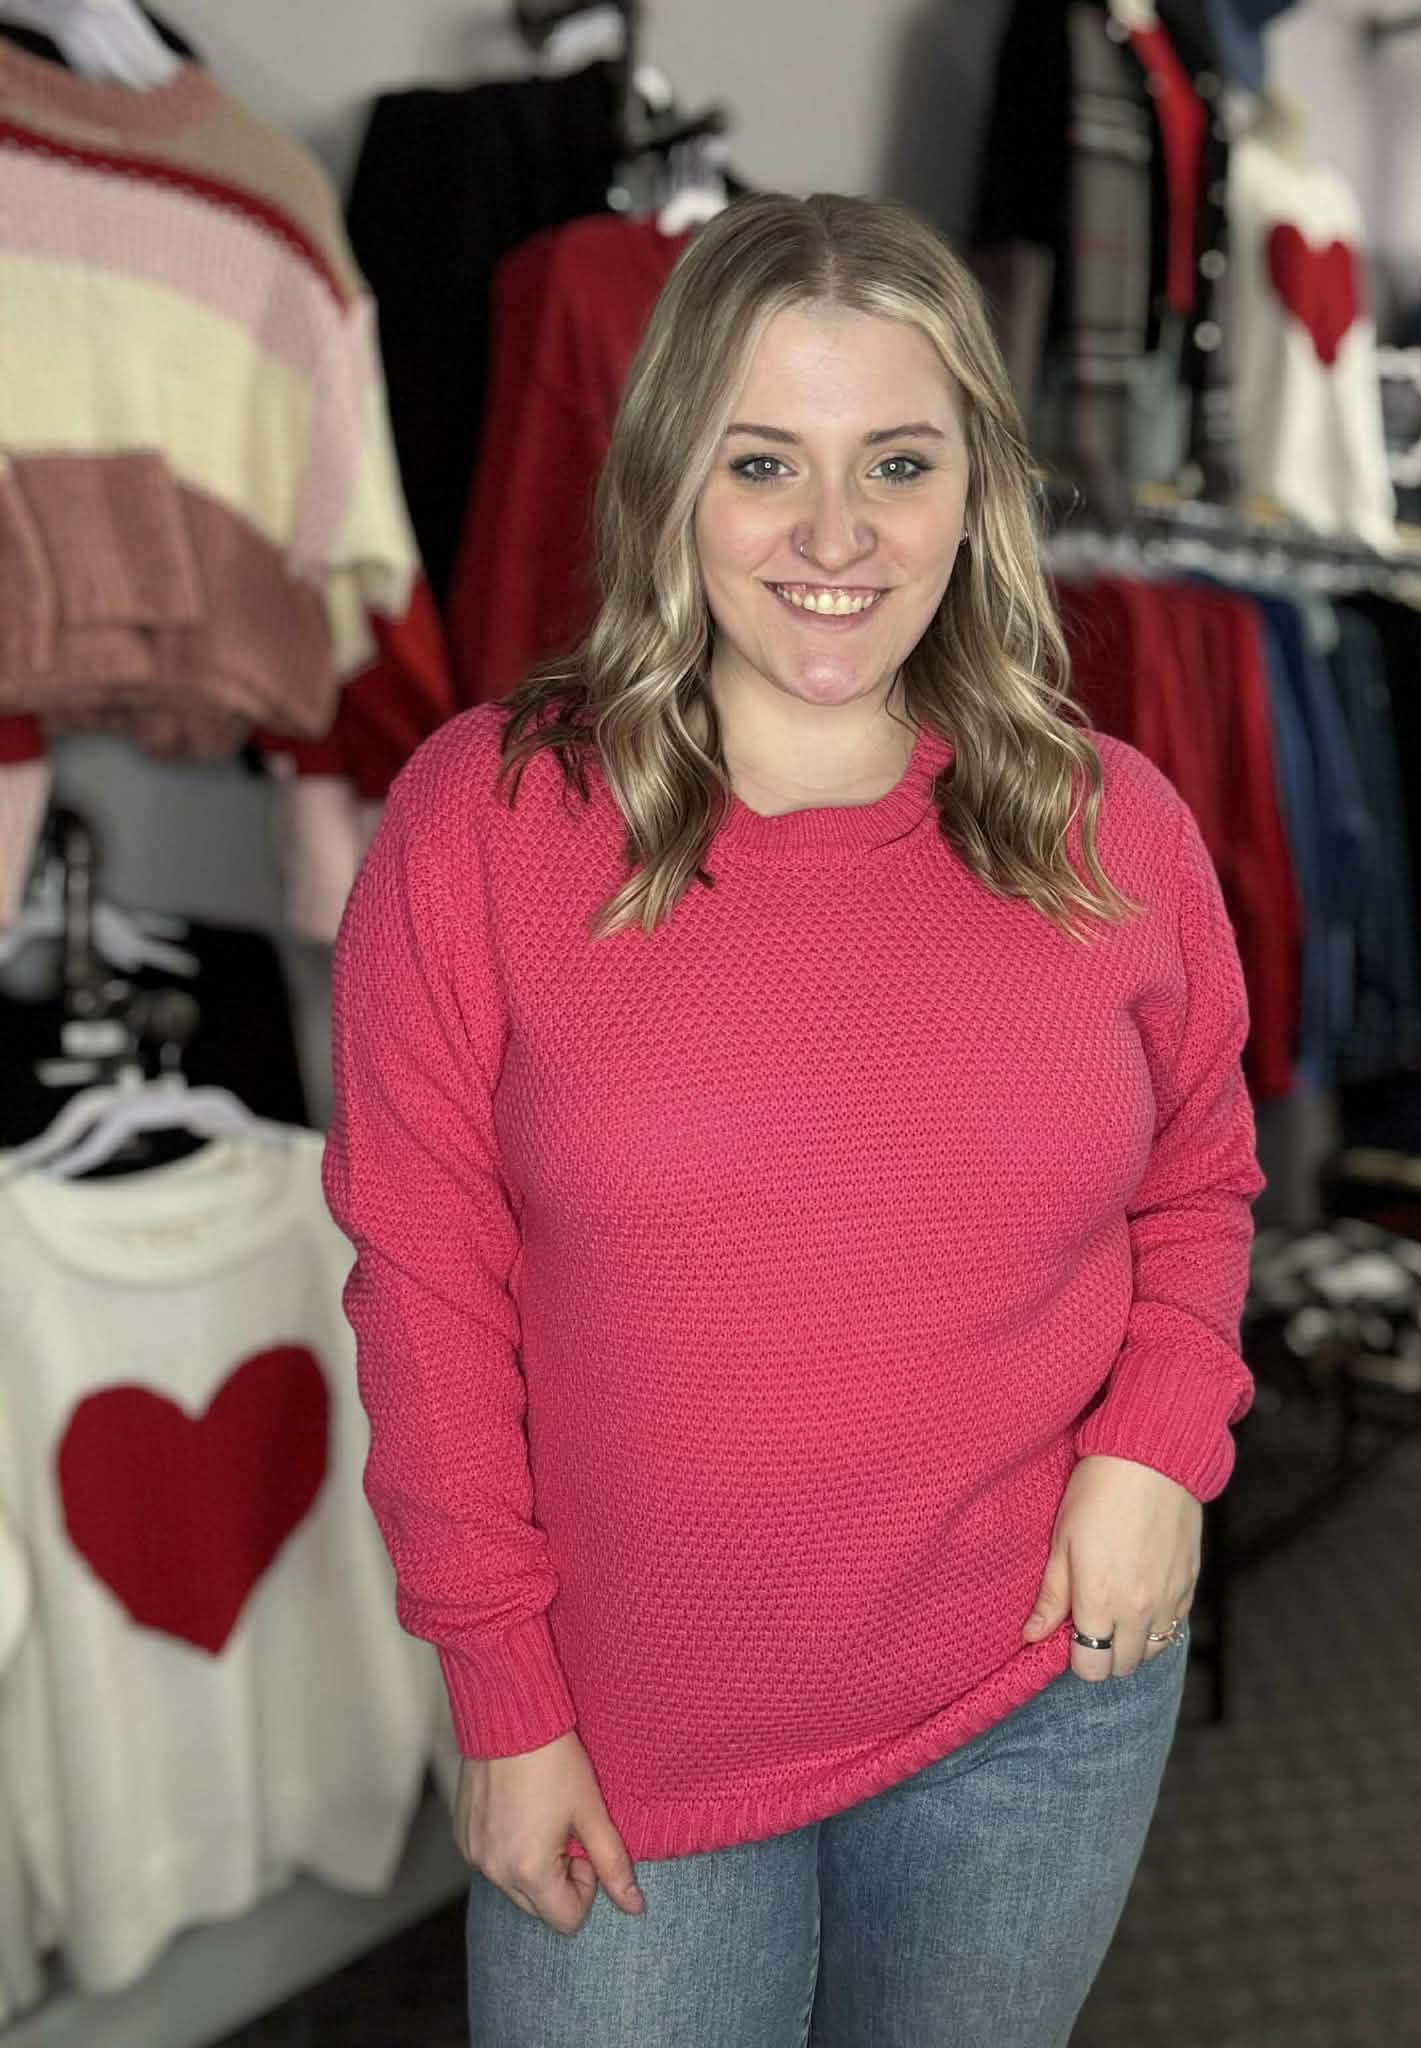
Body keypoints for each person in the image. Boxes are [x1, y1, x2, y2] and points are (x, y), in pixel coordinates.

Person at [323, 191, 1265, 2048]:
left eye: (897, 464)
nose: (836, 536)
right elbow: (423, 1289)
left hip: (1036, 1697)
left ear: (976, 491)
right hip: (632, 1739)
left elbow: (1200, 1183)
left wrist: (1159, 1444)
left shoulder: (1113, 825)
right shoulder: (483, 824)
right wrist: (500, 1691)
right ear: (672, 476)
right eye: (765, 463)